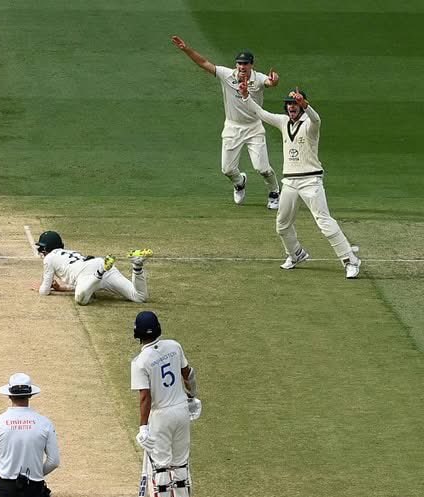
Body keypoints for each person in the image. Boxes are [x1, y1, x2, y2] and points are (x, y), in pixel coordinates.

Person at [239, 83, 361, 278]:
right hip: (289, 182)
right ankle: (296, 254)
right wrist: (245, 96)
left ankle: (350, 260)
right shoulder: (282, 121)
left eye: (295, 103)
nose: (291, 106)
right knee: (282, 224)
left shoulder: (310, 125)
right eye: (289, 103)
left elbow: (316, 118)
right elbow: (260, 113)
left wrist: (306, 105)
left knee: (324, 222)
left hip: (311, 181)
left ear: (301, 105)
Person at [170, 36, 281, 210]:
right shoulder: (227, 74)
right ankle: (239, 182)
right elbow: (204, 63)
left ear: (252, 65)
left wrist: (274, 81)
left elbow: (270, 82)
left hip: (254, 127)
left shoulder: (259, 78)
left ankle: (274, 192)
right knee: (227, 170)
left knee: (263, 168)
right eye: (239, 63)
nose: (242, 67)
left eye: (245, 64)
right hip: (232, 127)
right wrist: (186, 49)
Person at [130, 311, 198, 497]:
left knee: (160, 466)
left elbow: (145, 397)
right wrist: (192, 396)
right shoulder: (174, 346)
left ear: (137, 334)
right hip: (180, 411)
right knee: (180, 462)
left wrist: (143, 427)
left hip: (160, 416)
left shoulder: (140, 362)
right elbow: (188, 374)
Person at [33, 230, 152, 305]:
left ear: (46, 249)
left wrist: (40, 288)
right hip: (99, 263)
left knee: (81, 300)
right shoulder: (70, 252)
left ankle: (100, 273)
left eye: (41, 249)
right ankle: (137, 266)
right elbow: (79, 283)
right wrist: (60, 288)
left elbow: (44, 291)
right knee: (139, 297)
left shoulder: (49, 258)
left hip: (90, 274)